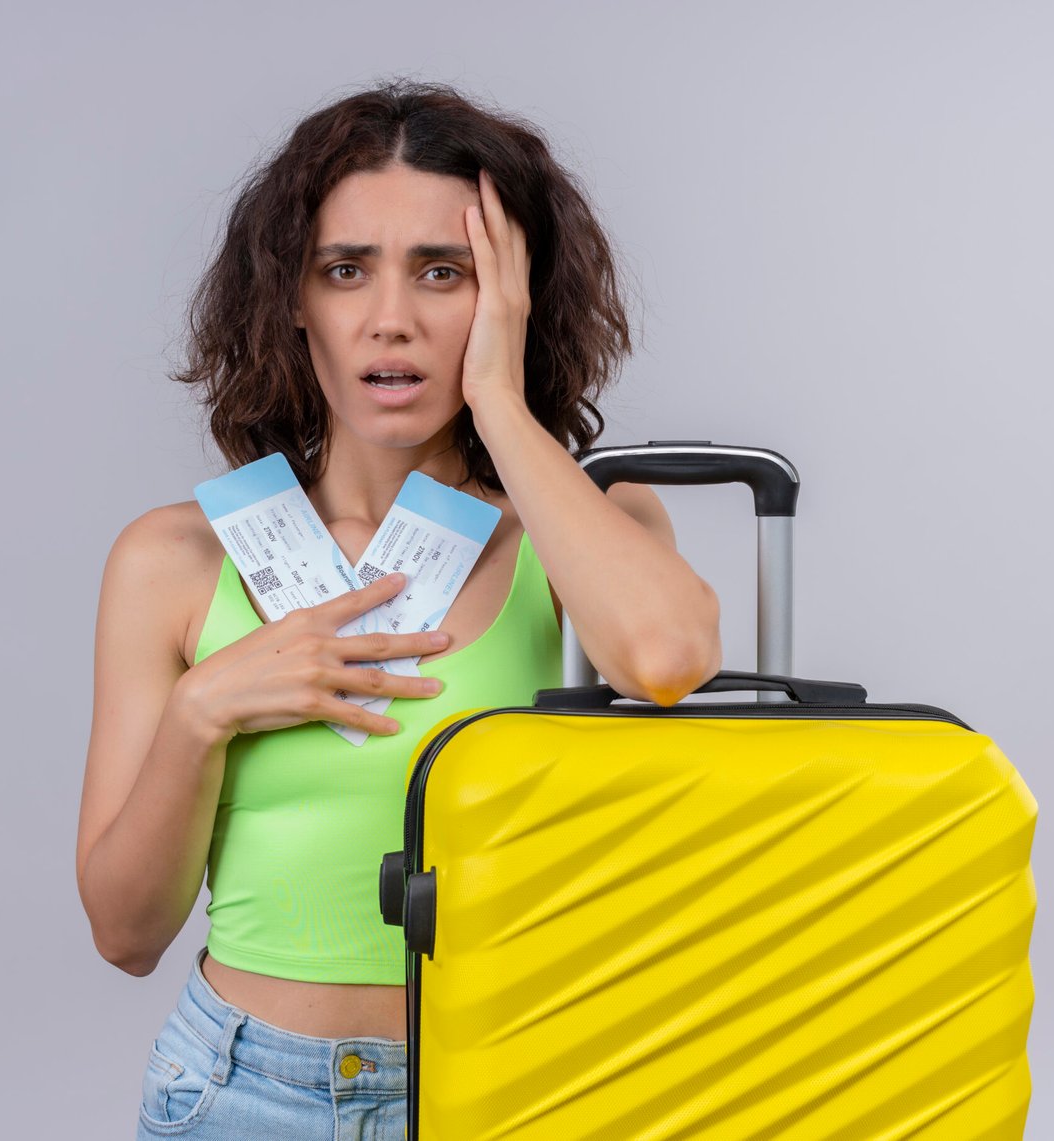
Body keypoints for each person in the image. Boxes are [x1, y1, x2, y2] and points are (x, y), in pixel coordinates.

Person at [75, 79, 723, 1139]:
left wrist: (499, 402)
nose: (392, 319)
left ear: (510, 298)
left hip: (509, 1085)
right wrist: (201, 713)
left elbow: (666, 657)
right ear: (292, 298)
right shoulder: (175, 559)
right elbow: (124, 933)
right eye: (345, 270)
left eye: (443, 272)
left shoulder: (584, 529)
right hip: (242, 1091)